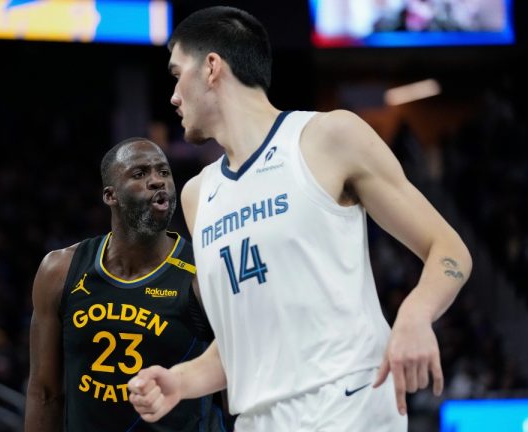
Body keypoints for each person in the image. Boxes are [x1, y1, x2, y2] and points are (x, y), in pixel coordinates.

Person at [127, 6, 472, 431]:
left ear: (212, 67)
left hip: (349, 404)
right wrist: (181, 379)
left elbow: (449, 249)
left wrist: (415, 314)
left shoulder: (328, 138)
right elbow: (245, 343)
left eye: (178, 73)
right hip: (259, 420)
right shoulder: (199, 195)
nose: (174, 96)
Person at [24, 138, 227, 431]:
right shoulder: (60, 270)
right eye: (140, 174)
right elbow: (45, 392)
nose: (157, 181)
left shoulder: (203, 269)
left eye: (164, 172)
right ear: (110, 195)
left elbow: (230, 384)